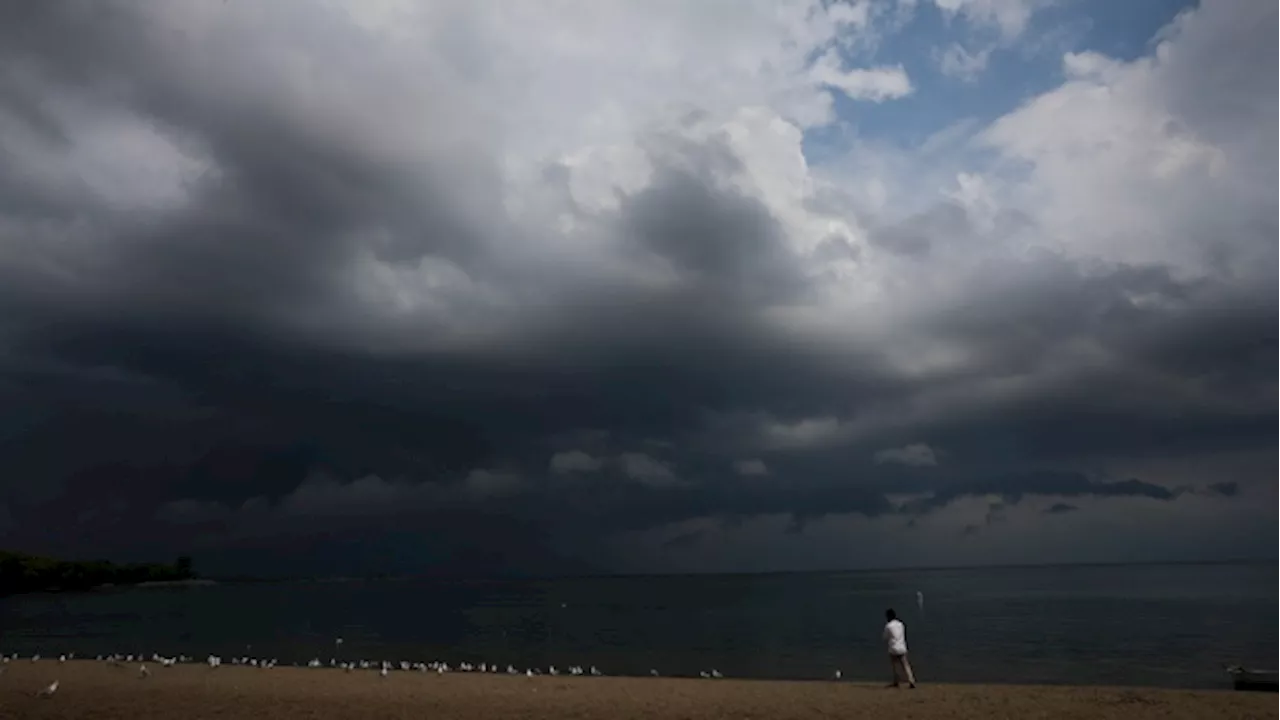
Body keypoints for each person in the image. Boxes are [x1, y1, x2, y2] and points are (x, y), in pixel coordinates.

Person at [883, 608, 916, 688]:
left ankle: (896, 681)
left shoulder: (888, 626)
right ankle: (911, 681)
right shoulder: (901, 624)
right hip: (902, 646)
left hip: (893, 648)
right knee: (905, 665)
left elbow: (885, 637)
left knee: (895, 666)